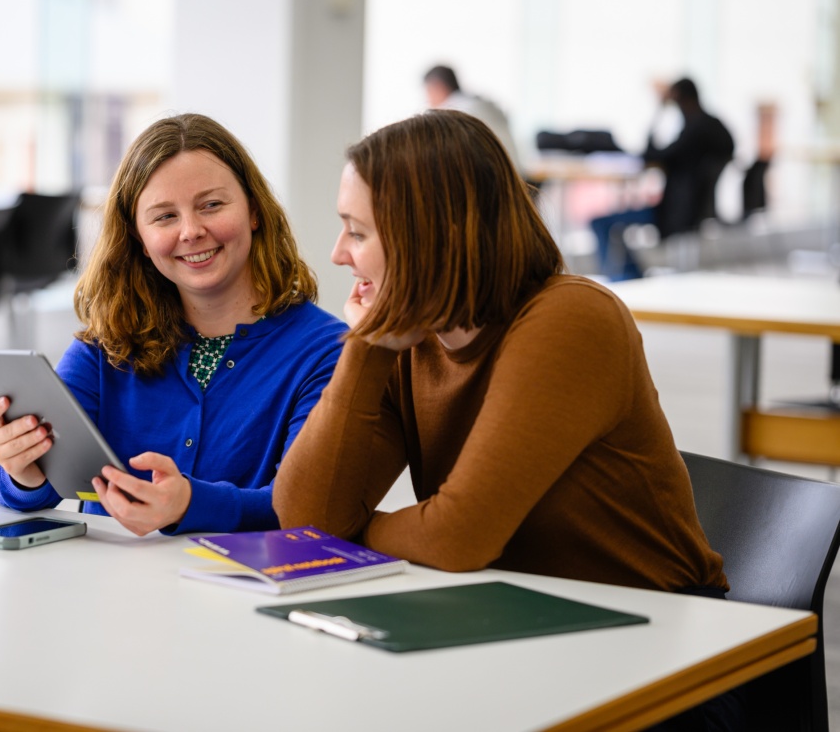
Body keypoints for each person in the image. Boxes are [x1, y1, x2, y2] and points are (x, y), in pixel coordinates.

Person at [274, 111, 739, 728]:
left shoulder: (571, 320)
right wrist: (362, 349)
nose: (337, 254)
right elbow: (304, 518)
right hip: (516, 625)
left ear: (431, 236)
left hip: (663, 657)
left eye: (357, 232)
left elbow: (456, 539)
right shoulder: (407, 339)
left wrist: (356, 532)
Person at [0, 113, 346, 536]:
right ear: (138, 236)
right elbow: (10, 488)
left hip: (243, 591)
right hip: (113, 591)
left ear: (254, 211)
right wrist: (23, 470)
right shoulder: (108, 344)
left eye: (212, 205)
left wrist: (190, 503)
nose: (191, 231)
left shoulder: (326, 350)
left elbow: (304, 507)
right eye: (164, 217)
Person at [590, 77, 735, 280]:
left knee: (600, 222)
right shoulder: (713, 126)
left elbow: (655, 155)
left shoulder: (694, 130)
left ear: (678, 99)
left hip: (674, 212)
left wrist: (659, 110)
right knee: (608, 222)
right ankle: (632, 276)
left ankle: (626, 279)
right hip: (694, 209)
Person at [424, 64, 520, 169]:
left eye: (428, 92)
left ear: (438, 87)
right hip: (515, 174)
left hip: (492, 177)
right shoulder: (482, 104)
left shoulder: (454, 113)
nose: (428, 100)